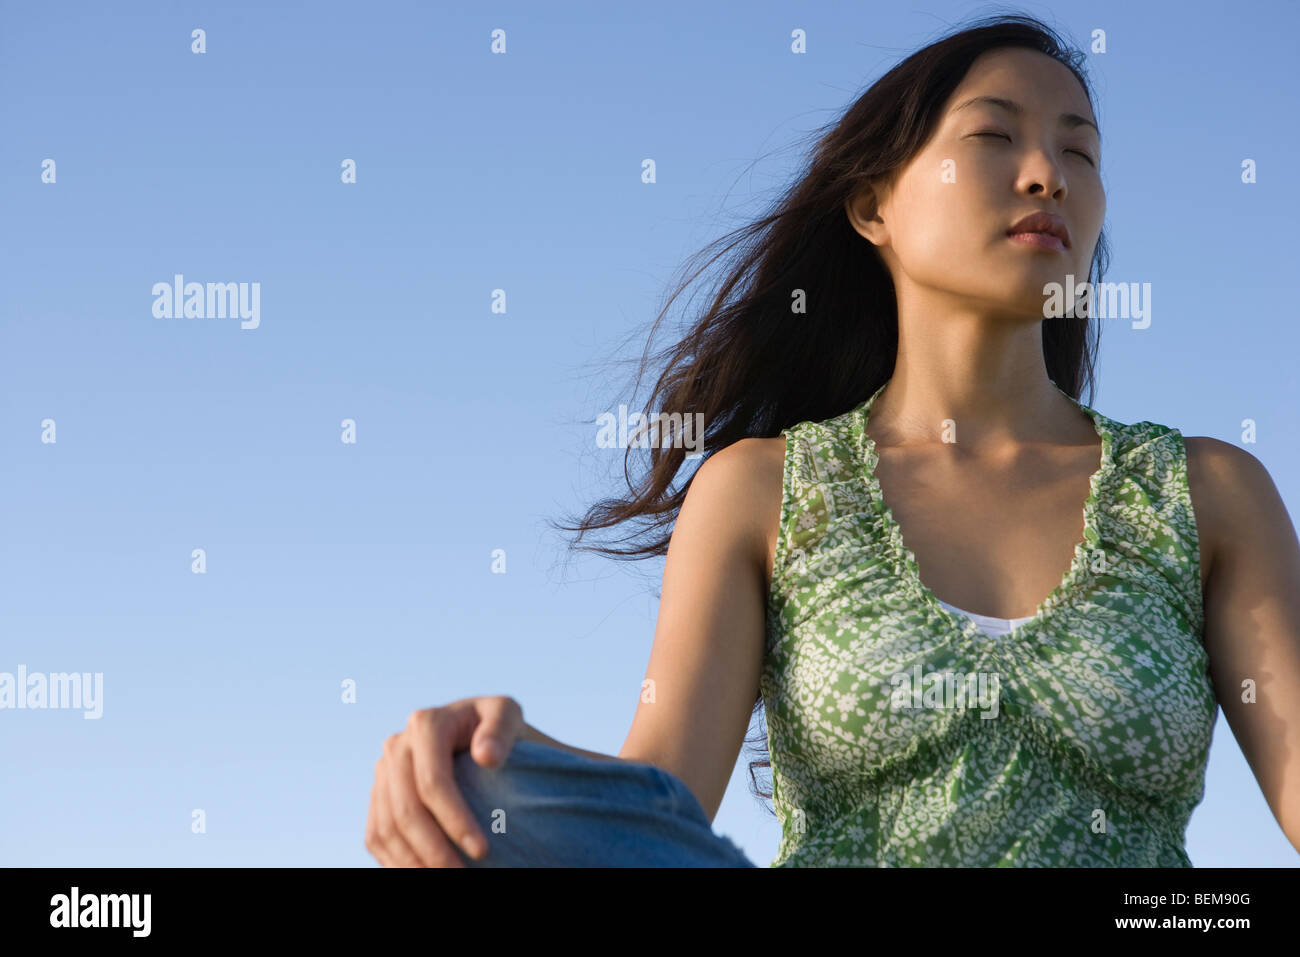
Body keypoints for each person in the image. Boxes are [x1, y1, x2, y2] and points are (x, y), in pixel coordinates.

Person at [364, 14, 1300, 867]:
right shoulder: (759, 491)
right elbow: (658, 811)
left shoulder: (1207, 490)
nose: (1047, 173)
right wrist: (503, 758)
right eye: (994, 135)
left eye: (1079, 151)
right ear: (873, 207)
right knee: (488, 791)